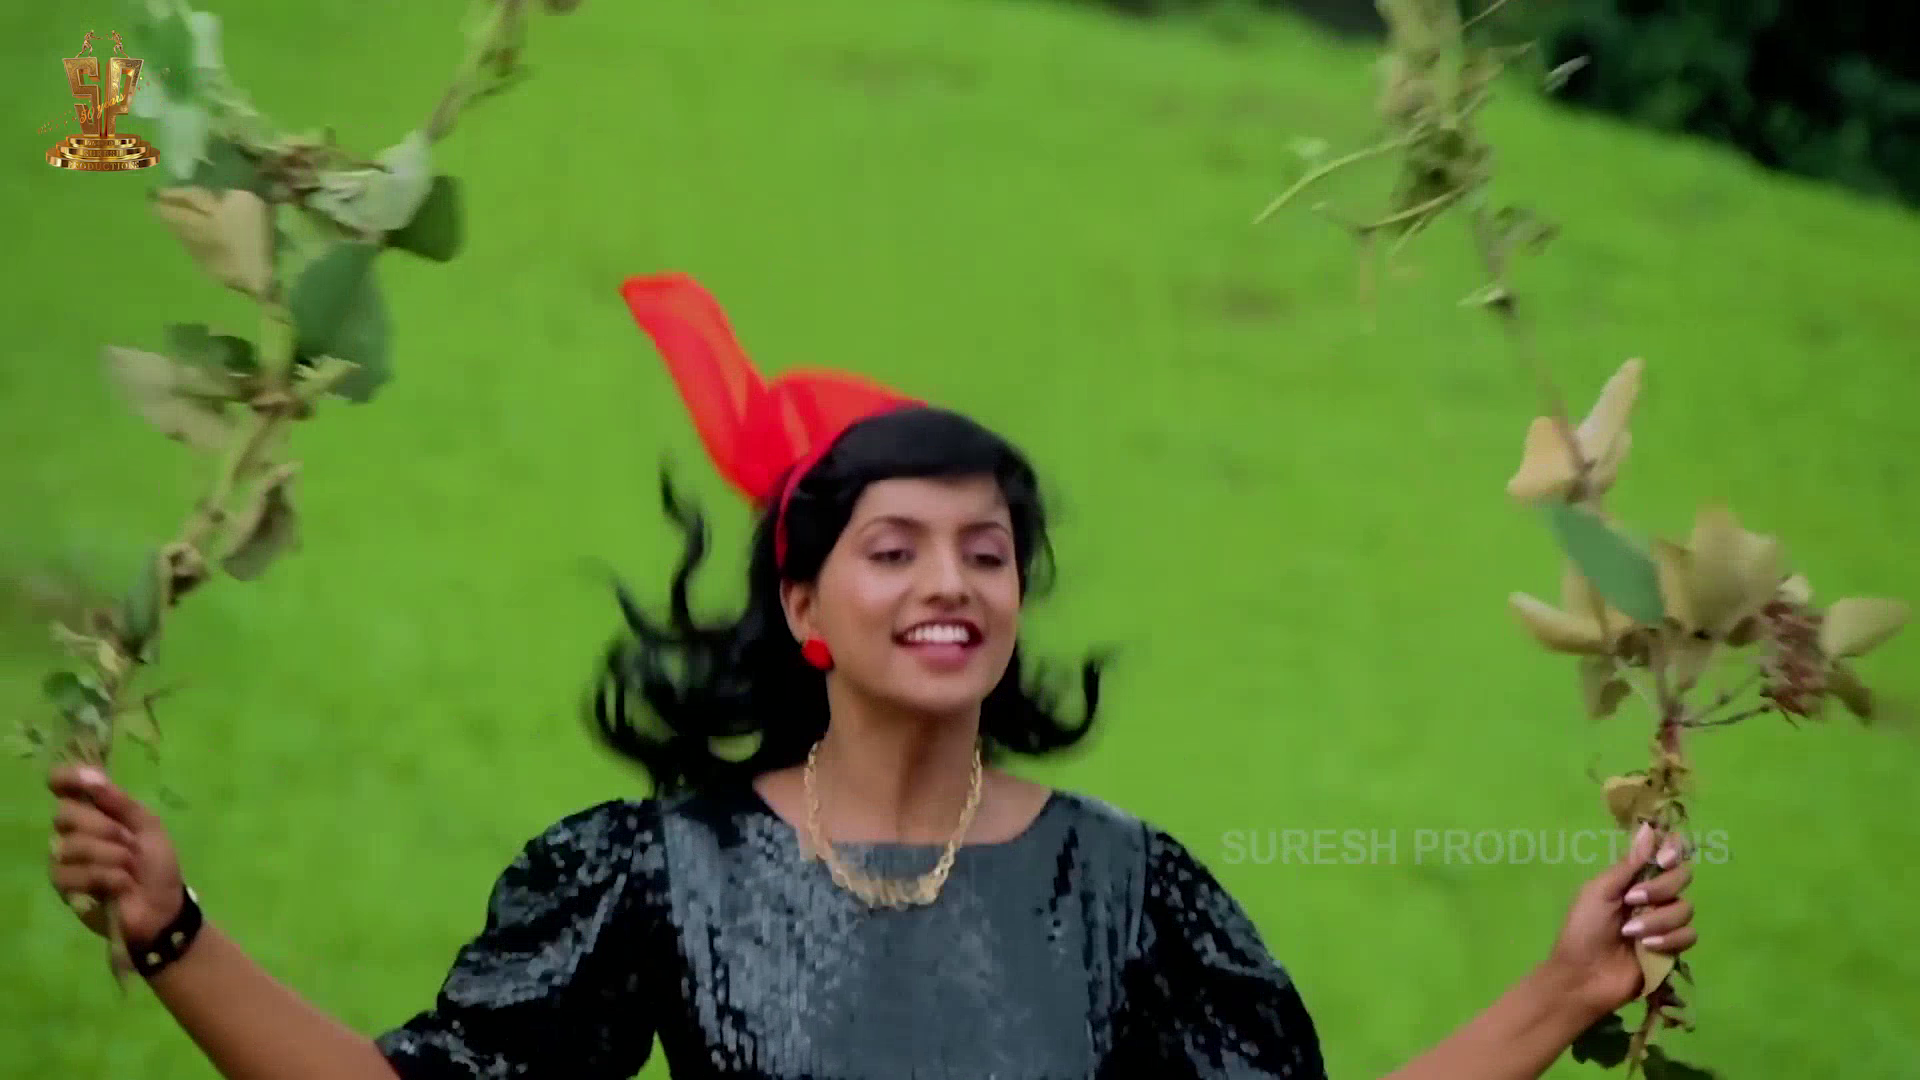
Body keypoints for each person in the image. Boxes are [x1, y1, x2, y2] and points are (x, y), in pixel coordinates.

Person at [44, 273, 1698, 1080]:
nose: (951, 581)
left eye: (986, 550)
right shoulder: (661, 874)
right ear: (807, 605)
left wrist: (1562, 992)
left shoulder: (1128, 891)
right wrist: (176, 933)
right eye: (895, 547)